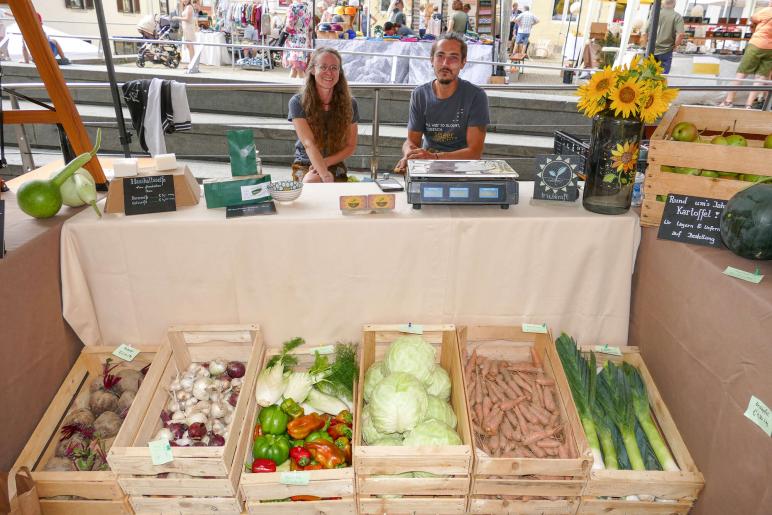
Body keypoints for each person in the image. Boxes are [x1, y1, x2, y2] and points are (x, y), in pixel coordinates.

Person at [396, 33, 489, 172]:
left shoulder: (476, 96)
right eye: (440, 56)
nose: (445, 64)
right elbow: (411, 141)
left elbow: (474, 152)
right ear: (431, 60)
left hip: (464, 169)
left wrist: (434, 157)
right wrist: (409, 154)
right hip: (428, 167)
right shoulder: (420, 94)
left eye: (453, 57)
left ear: (463, 62)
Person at [288, 48, 359, 183]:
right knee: (311, 180)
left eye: (334, 68)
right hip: (305, 163)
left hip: (334, 163)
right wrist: (325, 175)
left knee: (314, 182)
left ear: (340, 72)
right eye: (323, 67)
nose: (329, 72)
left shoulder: (350, 103)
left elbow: (350, 146)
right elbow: (309, 144)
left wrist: (325, 163)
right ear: (313, 70)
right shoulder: (297, 102)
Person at [719, 6, 771, 108]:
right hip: (771, 50)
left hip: (757, 44)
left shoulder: (768, 10)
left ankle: (728, 101)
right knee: (761, 77)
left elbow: (753, 18)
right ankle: (749, 104)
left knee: (741, 73)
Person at [640, 0, 684, 74]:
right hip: (666, 51)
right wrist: (675, 46)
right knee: (662, 78)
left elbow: (644, 32)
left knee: (647, 77)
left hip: (651, 50)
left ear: (663, 3)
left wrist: (645, 46)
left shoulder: (654, 14)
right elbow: (680, 34)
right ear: (675, 4)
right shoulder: (677, 17)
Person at [283, 0, 312, 79]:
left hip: (294, 39)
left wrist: (283, 33)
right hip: (304, 39)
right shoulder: (308, 7)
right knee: (296, 68)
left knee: (297, 68)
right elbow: (310, 26)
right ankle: (291, 89)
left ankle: (305, 89)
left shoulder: (292, 7)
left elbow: (289, 25)